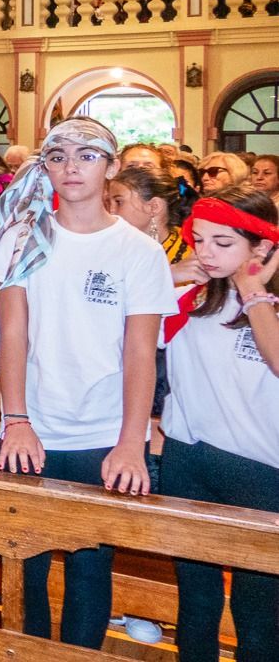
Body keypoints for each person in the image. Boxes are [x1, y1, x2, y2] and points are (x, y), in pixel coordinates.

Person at [0, 118, 177, 649]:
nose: (71, 166)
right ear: (45, 166)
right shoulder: (22, 240)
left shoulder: (137, 251)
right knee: (23, 562)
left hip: (104, 431)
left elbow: (140, 352)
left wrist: (131, 443)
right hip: (36, 426)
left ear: (112, 167)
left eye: (87, 155)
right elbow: (13, 334)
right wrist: (18, 421)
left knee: (90, 567)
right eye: (58, 155)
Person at [160, 190, 279, 662]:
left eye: (222, 243)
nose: (206, 252)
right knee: (196, 597)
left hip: (260, 468)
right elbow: (111, 318)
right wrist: (167, 273)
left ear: (263, 248)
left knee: (259, 606)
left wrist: (253, 293)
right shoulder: (190, 294)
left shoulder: (264, 303)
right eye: (199, 239)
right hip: (189, 458)